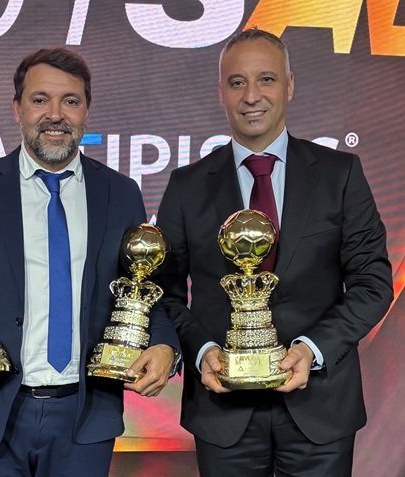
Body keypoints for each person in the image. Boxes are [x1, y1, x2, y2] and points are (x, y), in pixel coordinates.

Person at [0, 47, 181, 477]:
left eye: (70, 101)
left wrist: (166, 346)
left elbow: (147, 288)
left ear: (86, 111)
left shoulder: (120, 193)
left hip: (85, 416)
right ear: (17, 108)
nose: (55, 114)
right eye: (40, 100)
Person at [156, 28, 393, 476]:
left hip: (320, 407)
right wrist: (203, 350)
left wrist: (312, 349)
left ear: (289, 85)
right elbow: (165, 294)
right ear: (221, 92)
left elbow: (373, 284)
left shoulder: (340, 174)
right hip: (222, 411)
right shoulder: (186, 186)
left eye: (266, 79)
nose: (251, 96)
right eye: (237, 82)